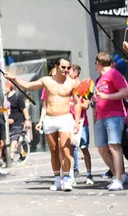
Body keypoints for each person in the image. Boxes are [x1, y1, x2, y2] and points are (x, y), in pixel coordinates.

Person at [6, 57, 81, 191]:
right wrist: (14, 78)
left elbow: (77, 103)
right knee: (53, 150)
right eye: (63, 67)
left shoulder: (72, 83)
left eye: (68, 68)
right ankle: (57, 179)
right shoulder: (47, 81)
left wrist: (76, 121)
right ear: (57, 67)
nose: (66, 70)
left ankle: (67, 179)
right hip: (50, 119)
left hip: (65, 118)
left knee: (65, 150)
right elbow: (28, 85)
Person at [93, 52, 128, 191]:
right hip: (101, 117)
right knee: (102, 149)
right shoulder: (99, 79)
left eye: (95, 62)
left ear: (99, 62)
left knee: (114, 146)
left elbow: (124, 92)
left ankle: (119, 180)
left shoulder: (114, 74)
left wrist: (105, 96)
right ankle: (117, 175)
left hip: (115, 116)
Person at [68, 65, 93, 184]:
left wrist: (71, 104)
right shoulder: (67, 88)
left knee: (84, 149)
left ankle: (89, 175)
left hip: (83, 122)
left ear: (76, 73)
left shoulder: (84, 86)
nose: (67, 73)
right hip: (70, 122)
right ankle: (71, 176)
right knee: (71, 149)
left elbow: (86, 105)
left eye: (70, 71)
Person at [6, 80, 31, 162]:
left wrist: (27, 120)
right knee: (15, 139)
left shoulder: (17, 96)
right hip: (9, 120)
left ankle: (11, 156)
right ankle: (23, 154)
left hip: (18, 121)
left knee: (14, 138)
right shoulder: (5, 97)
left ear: (10, 86)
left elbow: (24, 109)